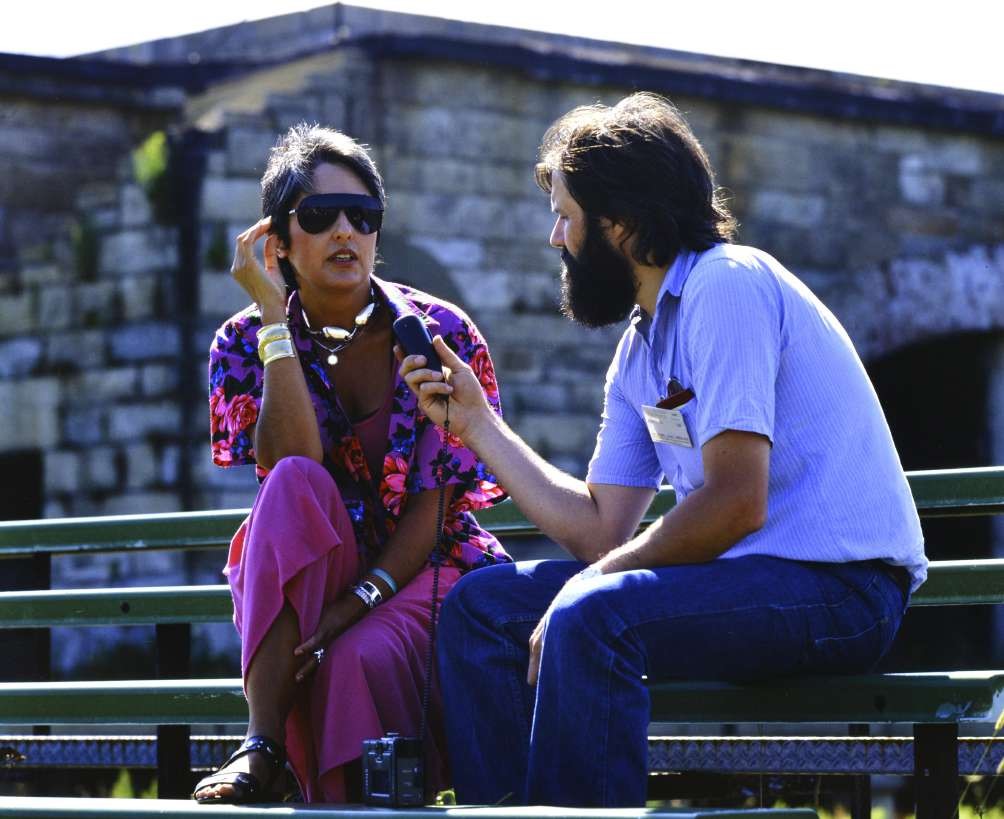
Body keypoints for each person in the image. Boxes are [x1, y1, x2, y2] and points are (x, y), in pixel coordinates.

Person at [400, 92, 927, 807]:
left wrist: (592, 584)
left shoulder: (726, 285)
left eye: (566, 216)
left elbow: (736, 502)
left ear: (620, 223)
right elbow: (601, 530)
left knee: (593, 612)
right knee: (481, 608)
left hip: (842, 592)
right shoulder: (640, 348)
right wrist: (478, 426)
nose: (555, 238)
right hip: (744, 582)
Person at [194, 124, 509, 804]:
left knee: (354, 656)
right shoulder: (242, 343)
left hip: (429, 568)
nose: (345, 231)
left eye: (362, 215)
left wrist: (355, 605)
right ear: (278, 241)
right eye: (319, 215)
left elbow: (438, 503)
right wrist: (274, 321)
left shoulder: (440, 334)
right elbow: (287, 464)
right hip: (317, 569)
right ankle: (262, 745)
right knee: (292, 484)